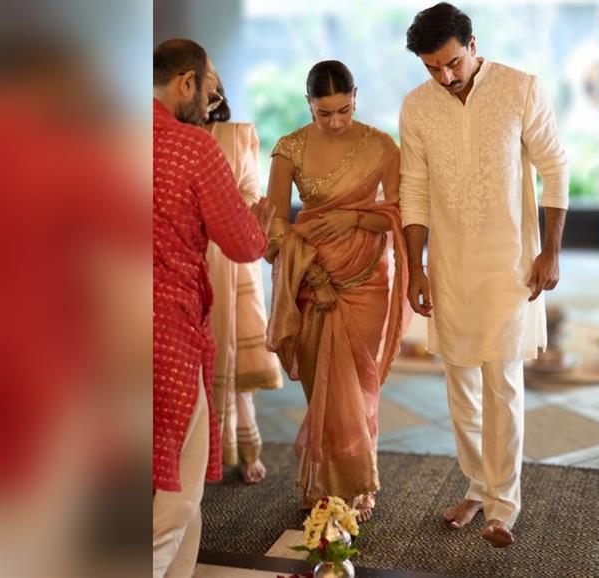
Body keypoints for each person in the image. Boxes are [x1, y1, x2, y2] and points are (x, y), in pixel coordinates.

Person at [399, 3, 569, 547]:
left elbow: (555, 167)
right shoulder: (417, 105)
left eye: (452, 63)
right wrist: (416, 268)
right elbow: (413, 189)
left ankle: (503, 506)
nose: (445, 77)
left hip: (510, 264)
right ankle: (477, 487)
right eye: (432, 67)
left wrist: (551, 252)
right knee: (461, 385)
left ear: (473, 45)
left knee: (502, 382)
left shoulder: (520, 88)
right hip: (450, 266)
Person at [266, 60, 407, 522]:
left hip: (367, 277)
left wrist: (354, 218)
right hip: (310, 276)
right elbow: (275, 224)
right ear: (308, 104)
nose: (335, 121)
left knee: (359, 385)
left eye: (344, 110)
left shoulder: (381, 145)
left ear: (356, 97)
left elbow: (399, 211)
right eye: (323, 112)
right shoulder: (289, 148)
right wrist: (316, 278)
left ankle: (358, 484)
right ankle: (328, 482)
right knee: (321, 385)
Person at [153, 38, 272, 578]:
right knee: (179, 488)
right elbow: (244, 243)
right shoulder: (193, 147)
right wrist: (260, 223)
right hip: (165, 332)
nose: (211, 102)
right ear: (186, 83)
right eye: (209, 89)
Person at [203, 75, 283, 484]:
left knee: (232, 356)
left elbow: (251, 191)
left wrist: (222, 215)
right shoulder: (162, 138)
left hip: (229, 255)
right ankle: (192, 456)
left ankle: (246, 449)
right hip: (185, 254)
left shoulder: (235, 136)